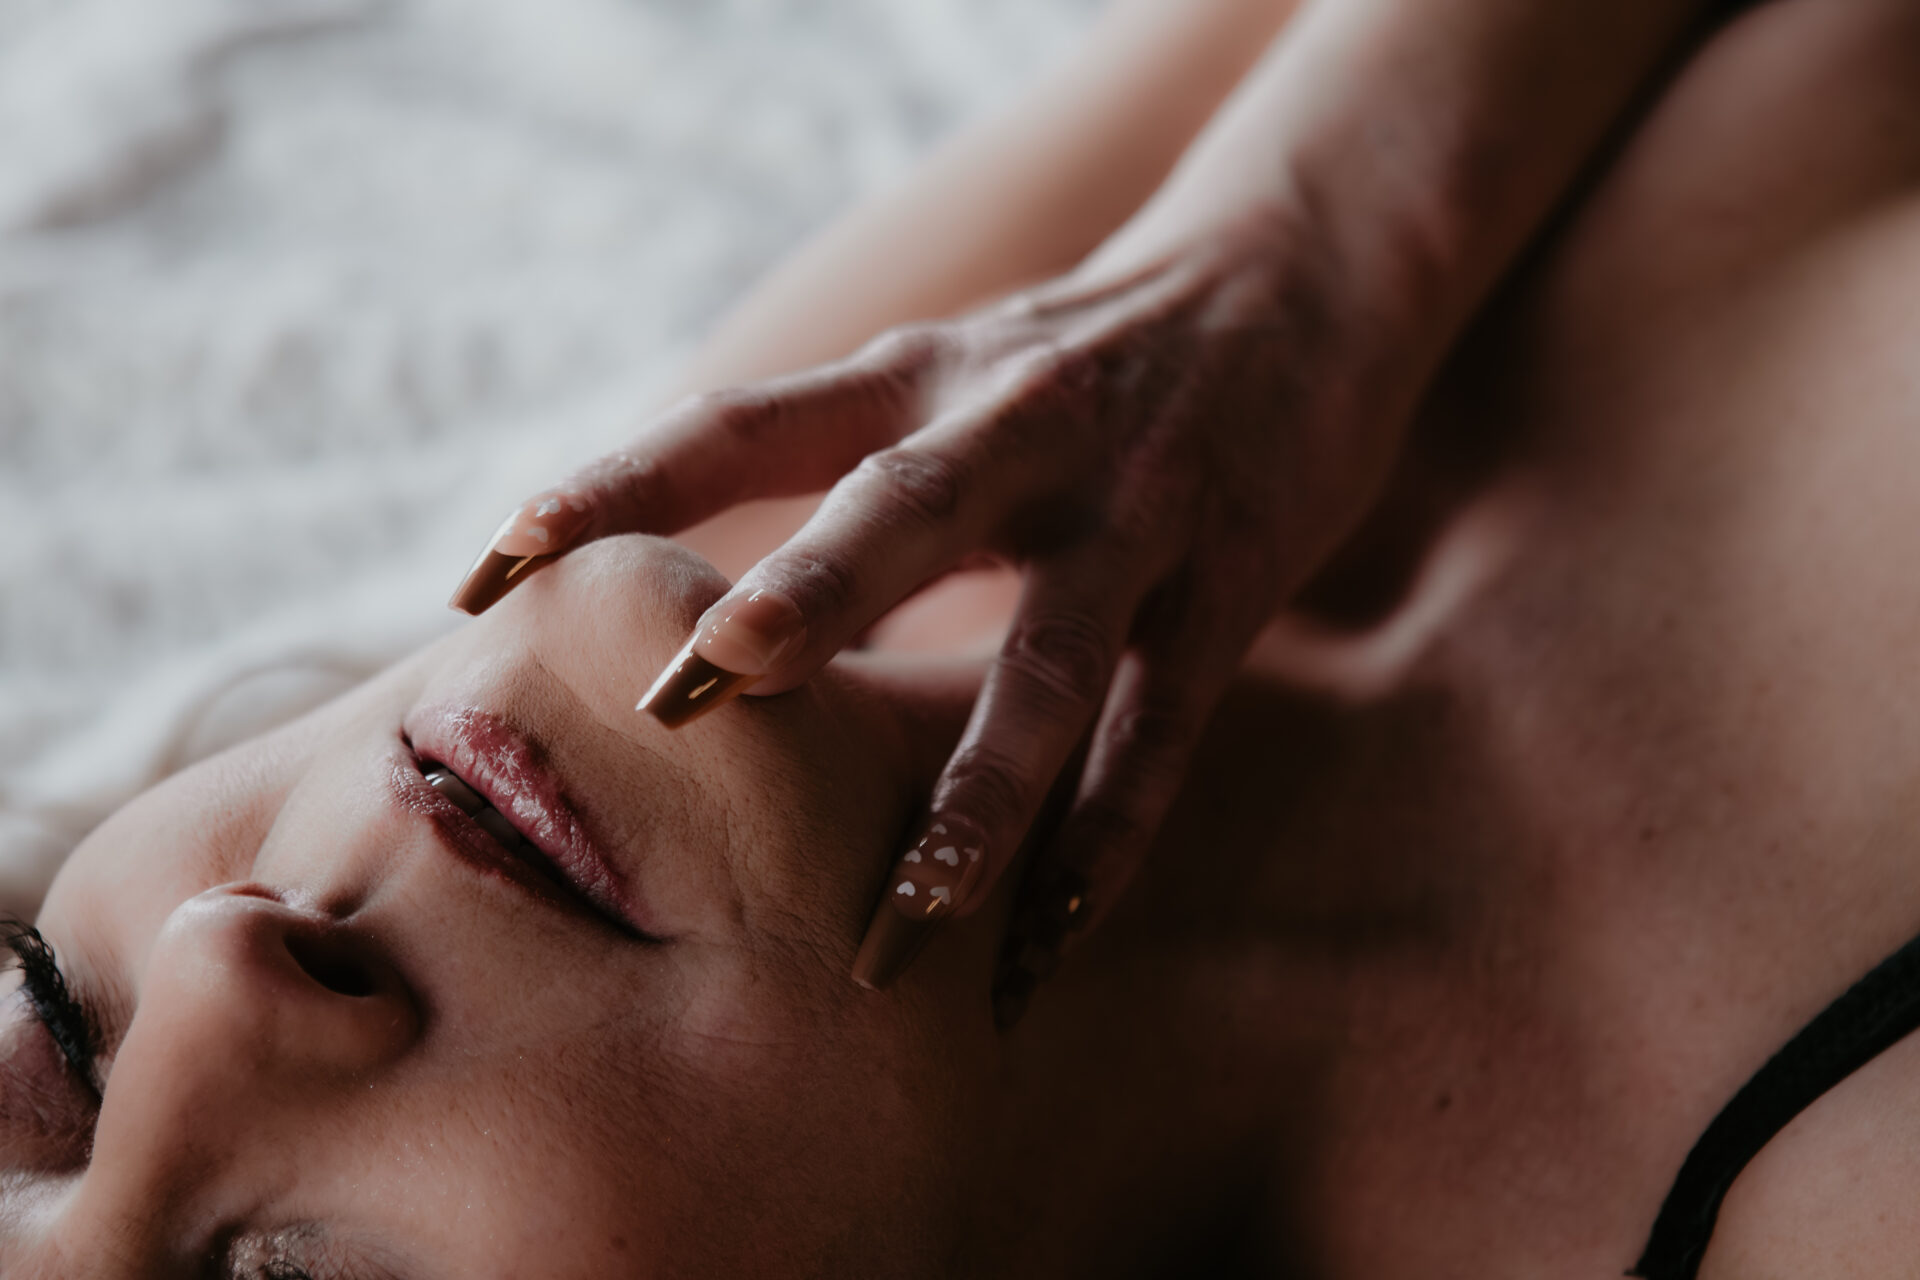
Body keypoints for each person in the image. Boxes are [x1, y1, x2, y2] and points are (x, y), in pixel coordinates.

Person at [9, 0, 1920, 1273]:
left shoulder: (828, 472)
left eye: (51, 1045)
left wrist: (1307, 237)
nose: (217, 972)